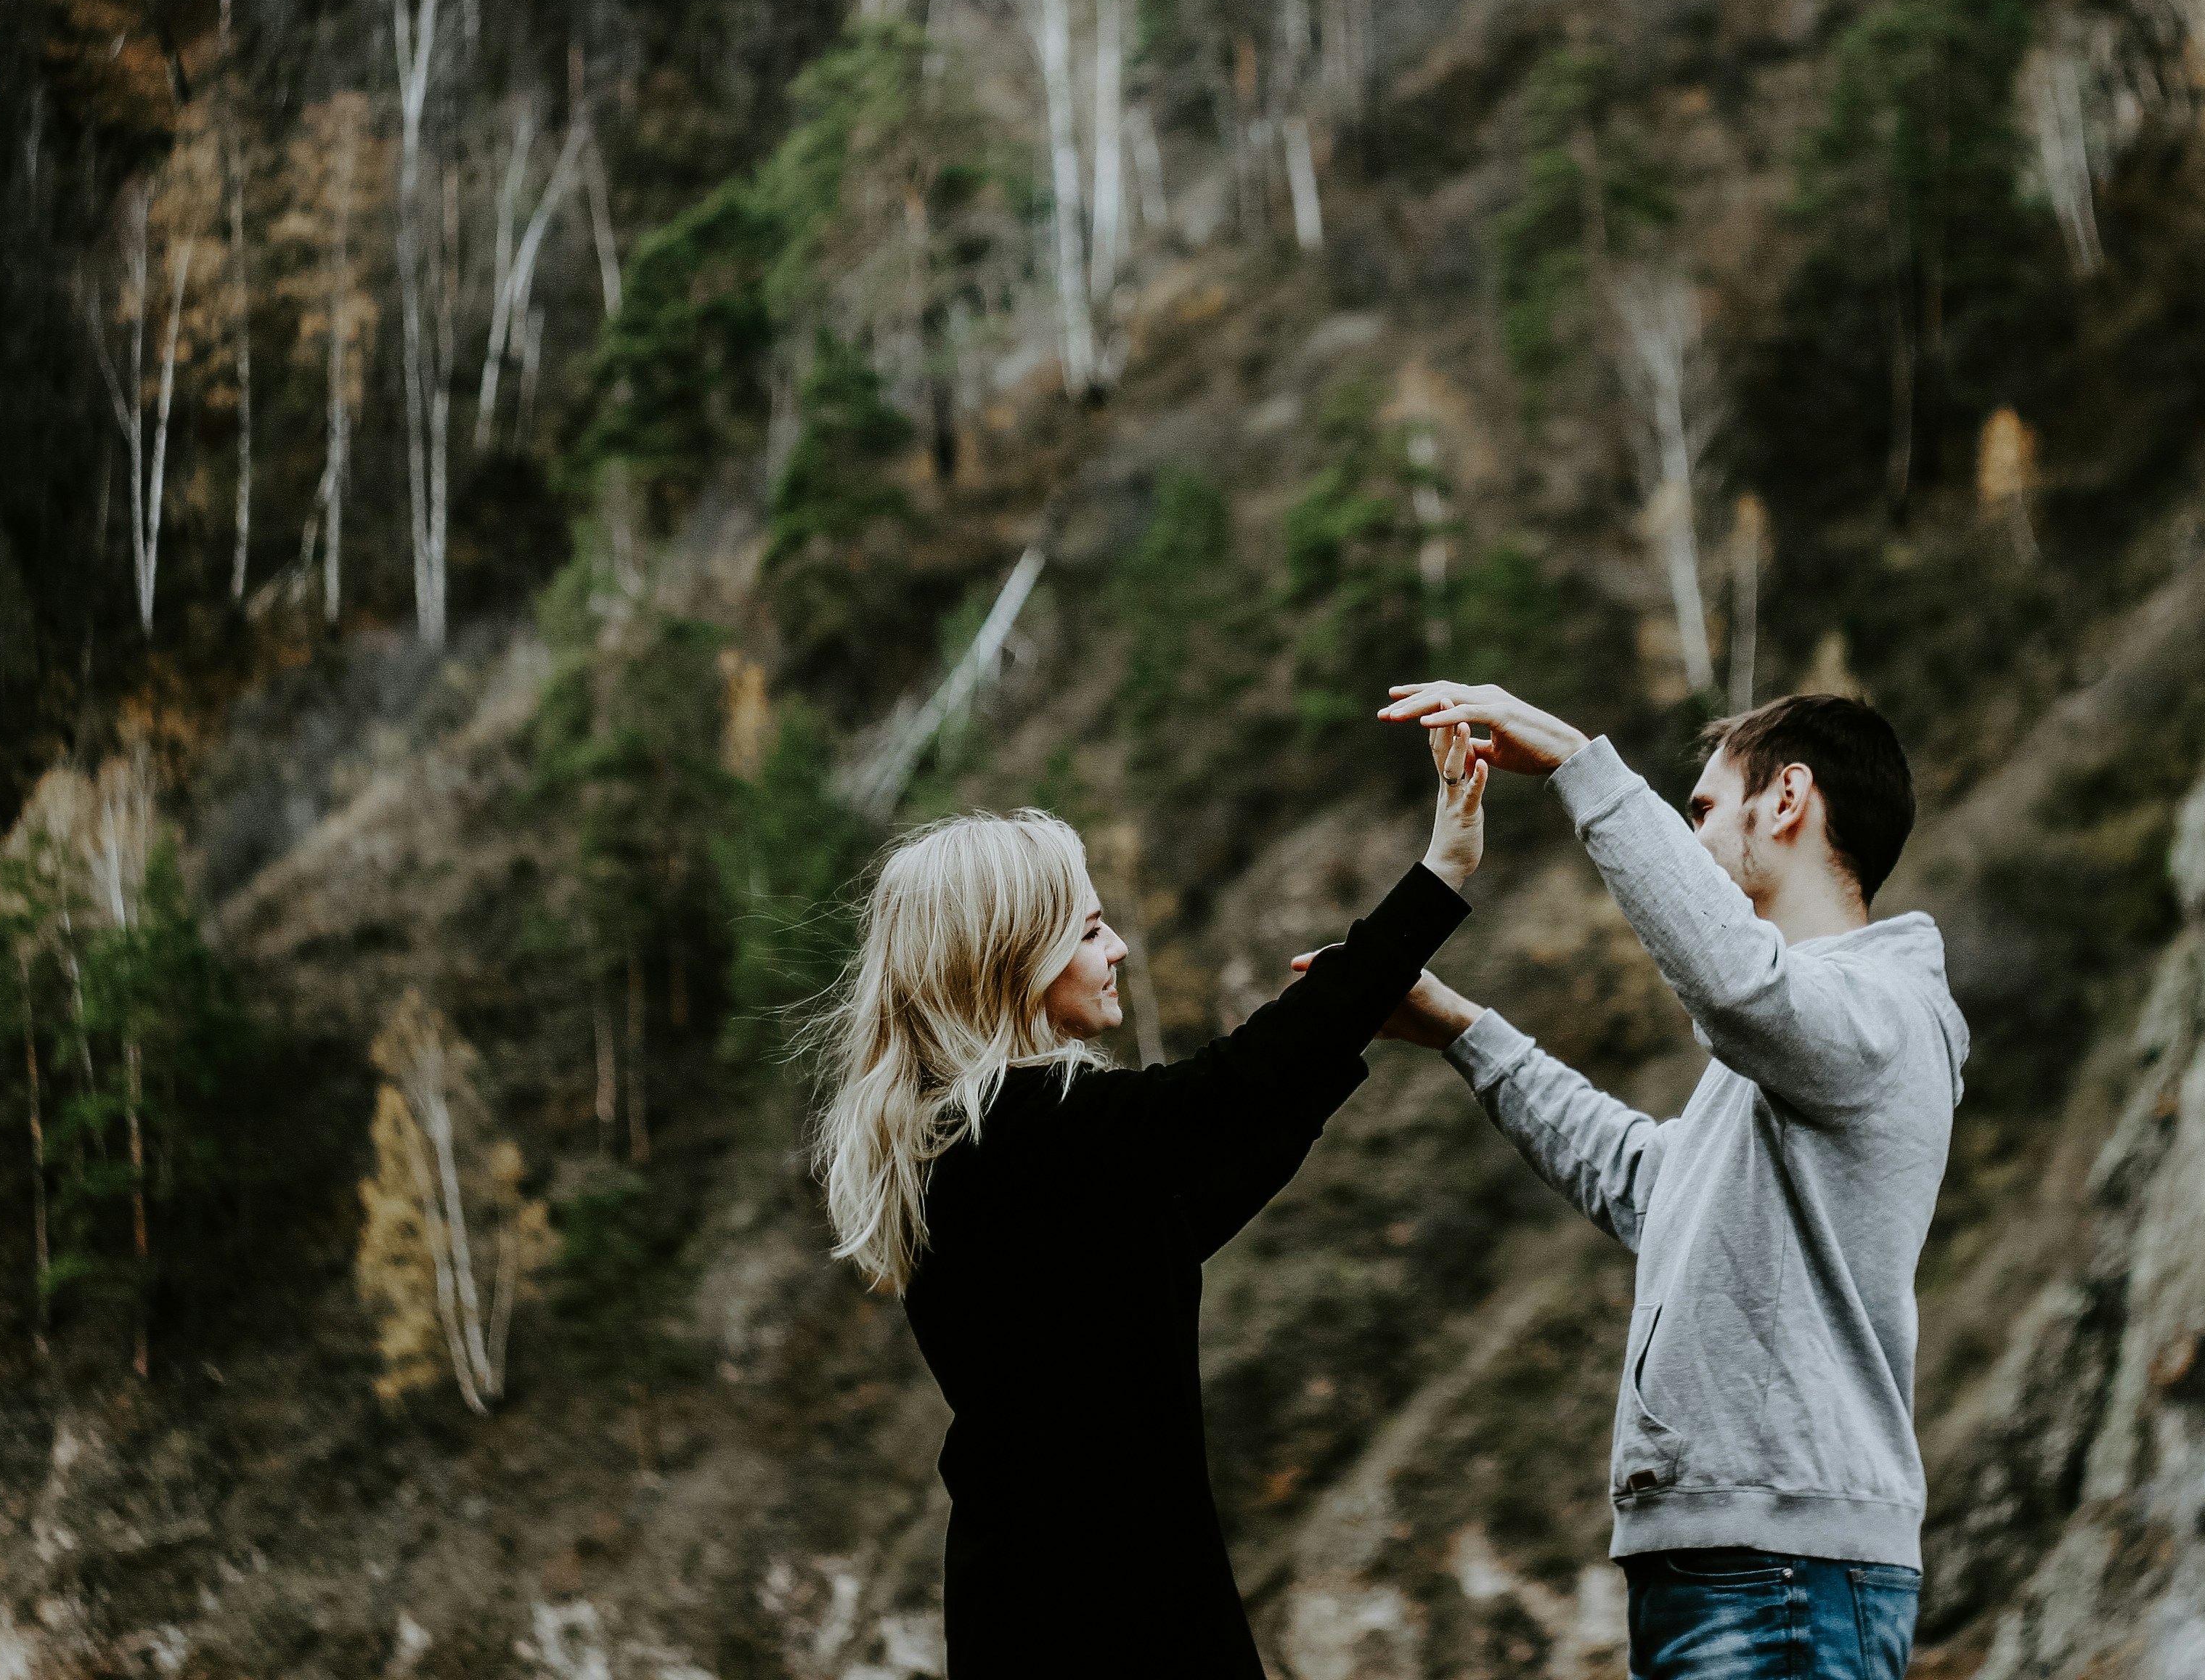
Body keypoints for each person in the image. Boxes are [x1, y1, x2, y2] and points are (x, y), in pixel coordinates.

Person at [813, 726, 1491, 1678]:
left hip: (1044, 1604)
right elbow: (1228, 1096)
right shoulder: (1027, 1128)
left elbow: (1201, 1189)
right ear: (1015, 958)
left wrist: (1344, 1021)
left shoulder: (969, 1150)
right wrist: (1438, 878)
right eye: (1090, 930)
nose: (1119, 946)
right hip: (1105, 1615)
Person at [1361, 682, 1968, 1680]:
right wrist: (1464, 1032)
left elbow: (1734, 983)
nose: (1688, 843)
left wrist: (1573, 760)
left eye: (1701, 812)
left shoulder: (1882, 1012)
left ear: (1787, 802)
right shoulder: (1800, 1044)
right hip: (1726, 1562)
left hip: (1786, 1571)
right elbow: (1648, 1185)